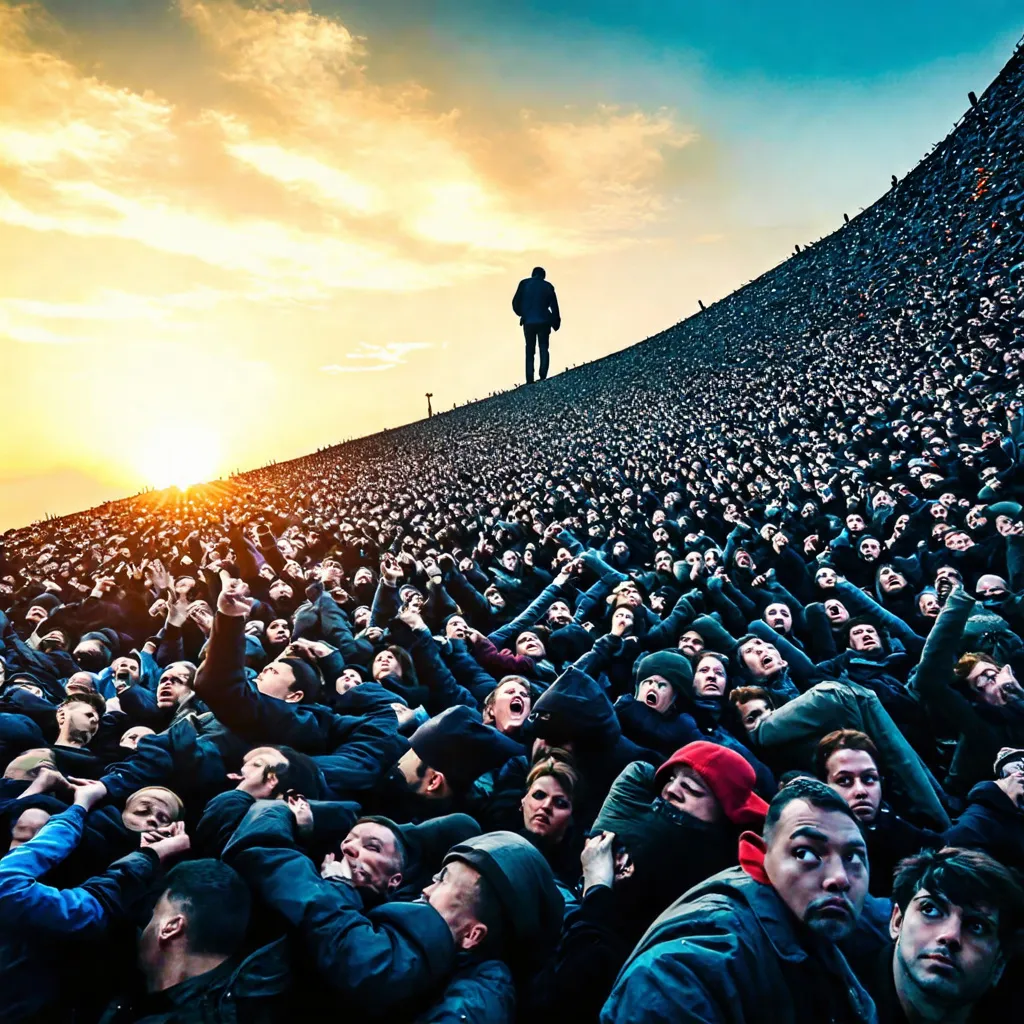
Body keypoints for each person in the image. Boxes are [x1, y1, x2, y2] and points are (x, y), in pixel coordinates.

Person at [602, 777, 875, 1022]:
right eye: (805, 853)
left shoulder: (826, 952)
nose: (840, 878)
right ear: (757, 856)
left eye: (853, 857)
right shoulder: (683, 972)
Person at [868, 846, 1024, 1023]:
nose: (950, 935)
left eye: (977, 926)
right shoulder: (840, 994)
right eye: (930, 910)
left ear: (999, 964)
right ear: (897, 921)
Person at [512, 266, 561, 384]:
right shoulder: (548, 286)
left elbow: (515, 303)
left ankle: (529, 378)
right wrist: (556, 322)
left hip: (528, 322)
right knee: (543, 347)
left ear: (532, 274)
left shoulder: (524, 284)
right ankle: (543, 375)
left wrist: (522, 314)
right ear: (543, 276)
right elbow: (554, 307)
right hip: (544, 321)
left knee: (529, 349)